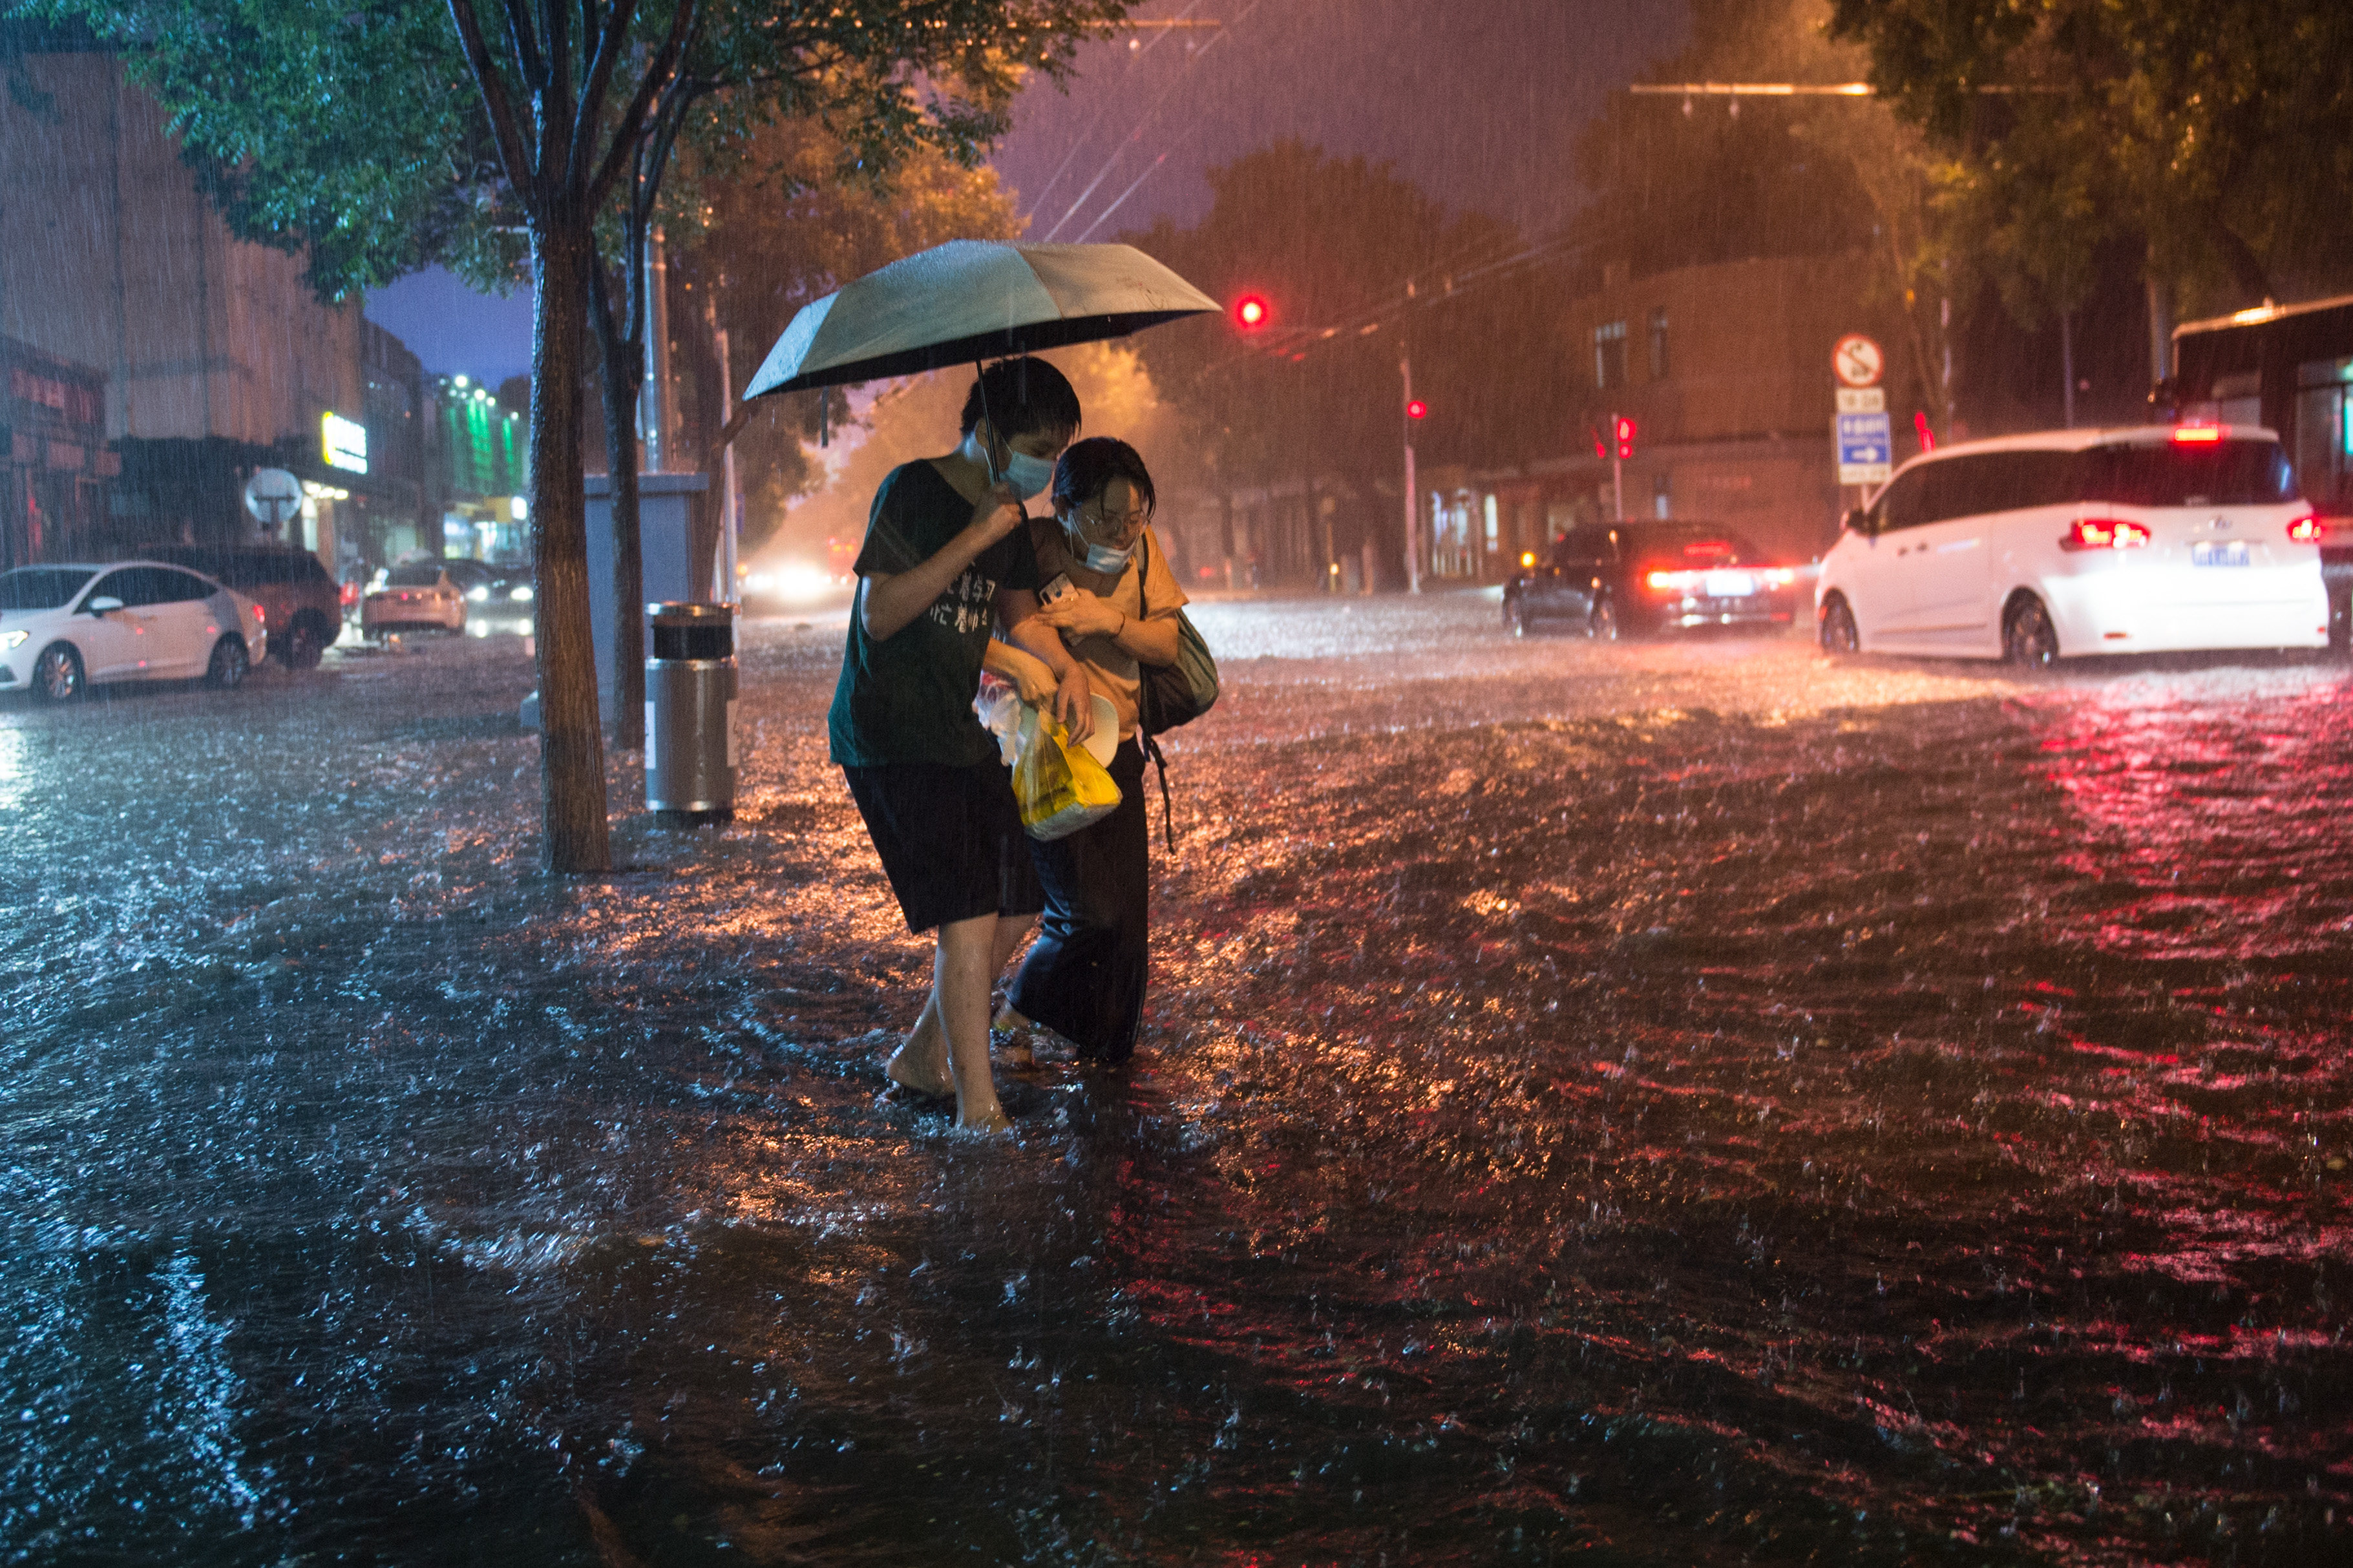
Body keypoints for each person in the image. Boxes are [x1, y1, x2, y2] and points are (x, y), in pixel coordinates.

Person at [829, 358, 1095, 1133]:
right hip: (889, 735)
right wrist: (972, 534)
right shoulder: (913, 491)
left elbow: (1021, 618)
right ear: (987, 434)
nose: (1046, 466)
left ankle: (921, 1054)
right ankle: (976, 1110)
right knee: (969, 915)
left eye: (1056, 449)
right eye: (1037, 446)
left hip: (954, 730)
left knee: (1020, 900)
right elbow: (880, 614)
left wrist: (1065, 667)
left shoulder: (1007, 513)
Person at [982, 437, 1186, 1065]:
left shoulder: (1143, 554)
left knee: (1128, 931)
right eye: (1104, 518)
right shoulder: (1030, 548)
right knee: (1086, 912)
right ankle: (1015, 1013)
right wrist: (1056, 649)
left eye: (1134, 517)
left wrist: (1109, 622)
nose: (1121, 533)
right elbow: (1011, 630)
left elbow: (1167, 644)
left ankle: (1108, 1055)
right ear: (1063, 506)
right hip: (1045, 753)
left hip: (1117, 750)